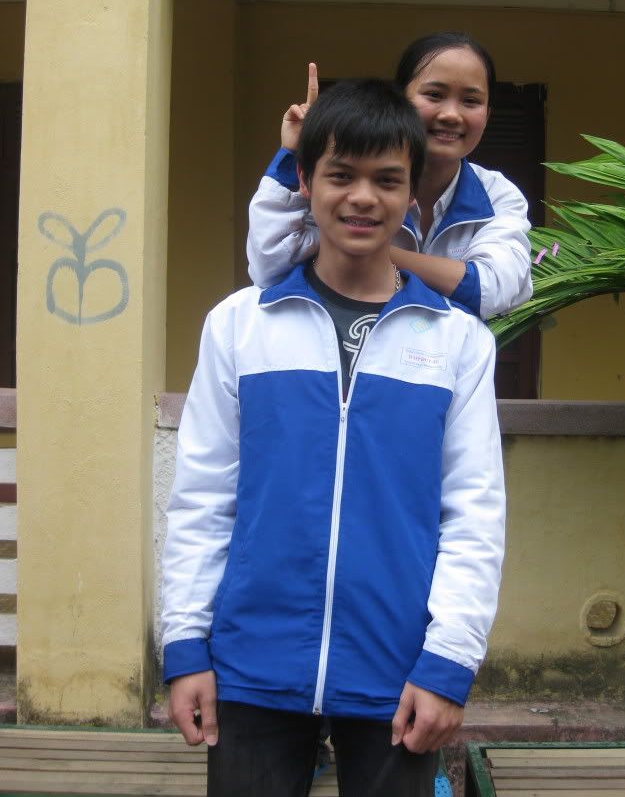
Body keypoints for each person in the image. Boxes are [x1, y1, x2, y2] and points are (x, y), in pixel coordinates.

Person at [162, 79, 506, 797]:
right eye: (341, 175)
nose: (362, 198)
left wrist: (448, 662)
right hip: (251, 662)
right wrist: (185, 643)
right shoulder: (240, 325)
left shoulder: (458, 342)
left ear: (411, 196)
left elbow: (473, 513)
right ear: (305, 182)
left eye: (387, 180)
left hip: (398, 668)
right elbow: (203, 497)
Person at [246, 31, 532, 320]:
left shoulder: (496, 194)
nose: (451, 114)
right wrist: (295, 150)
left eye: (470, 101)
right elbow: (269, 263)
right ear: (400, 100)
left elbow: (492, 291)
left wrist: (359, 247)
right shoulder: (339, 182)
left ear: (488, 114)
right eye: (434, 95)